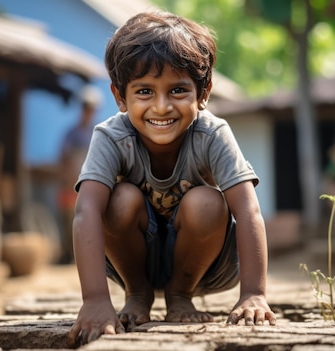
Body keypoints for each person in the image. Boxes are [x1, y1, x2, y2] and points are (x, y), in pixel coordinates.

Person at [68, 10, 276, 346]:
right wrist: (94, 300)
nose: (162, 107)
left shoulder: (213, 134)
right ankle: (138, 294)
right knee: (118, 199)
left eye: (178, 90)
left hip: (206, 262)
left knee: (207, 201)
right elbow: (86, 210)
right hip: (131, 259)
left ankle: (180, 295)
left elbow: (248, 210)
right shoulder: (110, 136)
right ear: (120, 96)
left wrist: (254, 293)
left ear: (203, 92)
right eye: (145, 91)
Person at [57, 85, 103, 264]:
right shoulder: (71, 134)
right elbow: (63, 159)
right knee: (69, 221)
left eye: (90, 108)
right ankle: (70, 254)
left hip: (91, 185)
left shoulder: (99, 133)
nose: (87, 111)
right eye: (85, 107)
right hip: (71, 185)